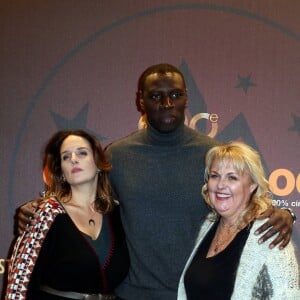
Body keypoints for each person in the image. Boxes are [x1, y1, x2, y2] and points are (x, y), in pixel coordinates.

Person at [16, 64, 295, 300]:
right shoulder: (118, 155)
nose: (167, 104)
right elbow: (83, 198)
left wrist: (285, 213)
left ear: (187, 98)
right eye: (156, 96)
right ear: (141, 101)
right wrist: (40, 209)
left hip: (192, 293)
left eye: (175, 95)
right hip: (130, 295)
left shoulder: (212, 155)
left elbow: (245, 203)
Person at [6, 130, 129, 299]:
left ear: (99, 163)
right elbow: (18, 287)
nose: (73, 159)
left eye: (82, 153)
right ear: (61, 171)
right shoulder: (45, 214)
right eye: (65, 157)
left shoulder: (116, 214)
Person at [177, 141, 299, 299]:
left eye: (232, 178)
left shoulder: (269, 231)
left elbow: (288, 295)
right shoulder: (209, 224)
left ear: (252, 185)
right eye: (215, 176)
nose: (221, 185)